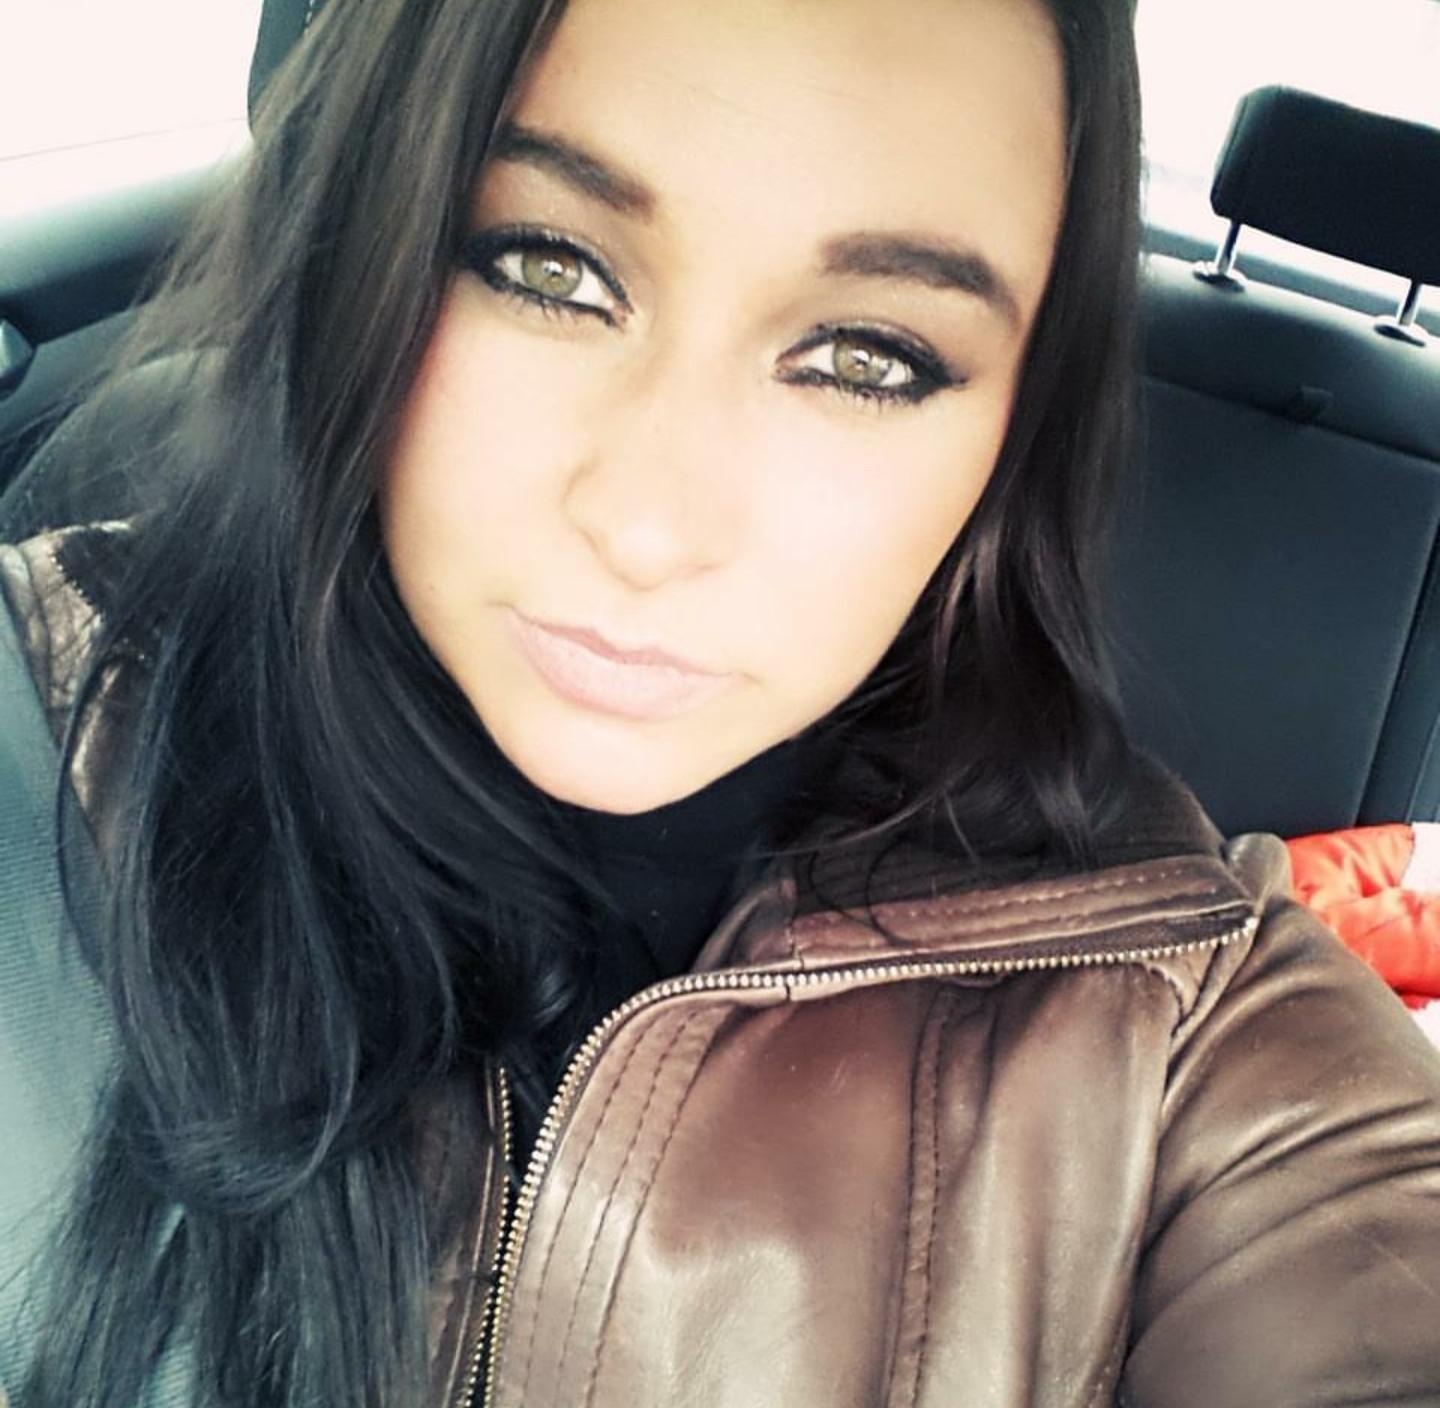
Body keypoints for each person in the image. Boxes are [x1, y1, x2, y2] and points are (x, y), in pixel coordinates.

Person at [1, 0, 1438, 1403]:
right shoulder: (37, 732)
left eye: (867, 359)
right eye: (548, 268)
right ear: (366, 241)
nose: (650, 527)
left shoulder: (1179, 1016)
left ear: (1012, 434)